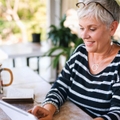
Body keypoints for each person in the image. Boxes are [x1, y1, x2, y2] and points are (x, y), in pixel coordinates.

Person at [28, 0, 120, 120]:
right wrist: (48, 109)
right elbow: (60, 87)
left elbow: (117, 113)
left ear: (112, 28)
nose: (84, 35)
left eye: (92, 29)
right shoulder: (80, 52)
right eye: (82, 28)